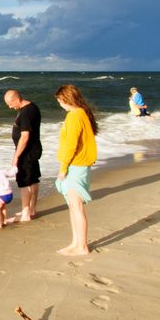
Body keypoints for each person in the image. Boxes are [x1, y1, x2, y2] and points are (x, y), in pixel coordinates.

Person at [53, 84, 98, 256]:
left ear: (65, 99)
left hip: (76, 165)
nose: (59, 104)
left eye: (59, 100)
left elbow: (71, 145)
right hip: (80, 164)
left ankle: (82, 247)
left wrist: (63, 168)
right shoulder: (82, 113)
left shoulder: (74, 116)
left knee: (76, 207)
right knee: (73, 206)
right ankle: (75, 243)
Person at [3, 89, 41, 221]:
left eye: (10, 103)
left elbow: (25, 136)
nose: (9, 107)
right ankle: (32, 209)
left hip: (27, 152)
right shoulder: (32, 107)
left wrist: (16, 156)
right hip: (33, 150)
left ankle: (26, 215)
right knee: (33, 179)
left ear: (17, 99)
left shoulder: (25, 112)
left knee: (25, 182)